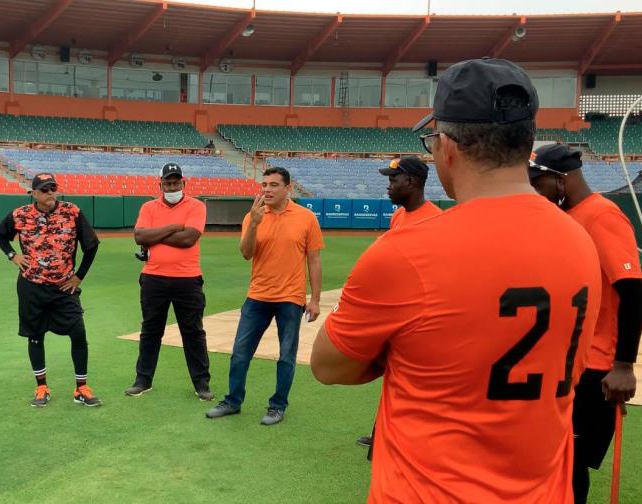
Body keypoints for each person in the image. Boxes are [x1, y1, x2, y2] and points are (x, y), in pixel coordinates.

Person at [310, 58, 602, 502]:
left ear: (446, 146)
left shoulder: (406, 252)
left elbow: (328, 366)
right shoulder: (581, 240)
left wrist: (405, 354)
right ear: (526, 143)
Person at [527, 143, 642, 504]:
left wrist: (623, 365)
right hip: (566, 363)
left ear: (561, 180)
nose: (535, 192)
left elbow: (633, 290)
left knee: (570, 466)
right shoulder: (571, 216)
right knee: (553, 463)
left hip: (595, 369)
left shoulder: (602, 215)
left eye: (539, 184)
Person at [206, 166, 323, 426]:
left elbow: (314, 260)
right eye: (264, 185)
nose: (267, 190)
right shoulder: (254, 216)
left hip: (290, 299)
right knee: (240, 353)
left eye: (273, 185)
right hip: (257, 296)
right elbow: (246, 253)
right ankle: (233, 401)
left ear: (288, 188)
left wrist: (314, 299)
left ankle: (277, 406)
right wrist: (255, 223)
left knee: (286, 356)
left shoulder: (306, 218)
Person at [354, 156, 445, 451]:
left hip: (423, 316)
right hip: (397, 311)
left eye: (394, 180)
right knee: (391, 378)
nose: (388, 186)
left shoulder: (434, 220)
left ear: (413, 182)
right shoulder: (399, 216)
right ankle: (381, 432)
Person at [0, 172, 103, 407]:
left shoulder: (72, 212)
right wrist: (13, 255)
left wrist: (79, 276)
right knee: (35, 336)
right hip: (32, 286)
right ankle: (41, 387)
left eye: (53, 187)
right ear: (33, 193)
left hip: (64, 287)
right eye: (44, 189)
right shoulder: (21, 215)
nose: (50, 192)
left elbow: (92, 245)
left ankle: (81, 388)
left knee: (78, 333)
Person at [125, 163, 213, 400]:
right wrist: (173, 227)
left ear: (183, 183)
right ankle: (143, 380)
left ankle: (201, 384)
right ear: (160, 184)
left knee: (193, 332)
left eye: (176, 182)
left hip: (188, 278)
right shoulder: (149, 206)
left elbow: (189, 239)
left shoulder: (196, 206)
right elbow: (139, 236)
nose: (172, 186)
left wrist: (156, 235)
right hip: (154, 277)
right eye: (168, 183)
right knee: (150, 330)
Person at [380, 156, 443, 230]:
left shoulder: (437, 220)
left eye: (393, 181)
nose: (389, 186)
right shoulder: (397, 215)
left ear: (410, 182)